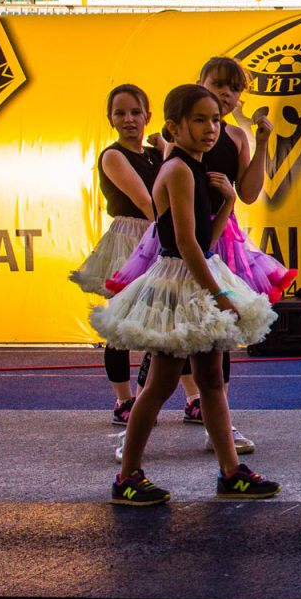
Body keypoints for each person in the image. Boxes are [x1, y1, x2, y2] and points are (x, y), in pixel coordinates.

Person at [91, 83, 280, 507]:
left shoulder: (195, 168)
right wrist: (219, 295)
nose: (211, 128)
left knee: (211, 380)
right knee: (159, 385)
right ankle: (127, 476)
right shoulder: (177, 169)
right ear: (174, 127)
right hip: (180, 283)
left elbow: (206, 241)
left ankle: (230, 472)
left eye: (215, 120)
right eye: (200, 120)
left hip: (196, 274)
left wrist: (228, 203)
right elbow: (184, 243)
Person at [70, 84, 189, 424]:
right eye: (120, 113)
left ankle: (190, 397)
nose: (129, 119)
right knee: (121, 324)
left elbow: (174, 182)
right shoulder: (113, 155)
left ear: (148, 116)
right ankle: (124, 400)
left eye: (135, 112)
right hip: (133, 238)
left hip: (157, 233)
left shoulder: (156, 153)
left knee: (169, 319)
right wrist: (170, 235)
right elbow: (145, 200)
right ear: (110, 118)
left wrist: (165, 148)